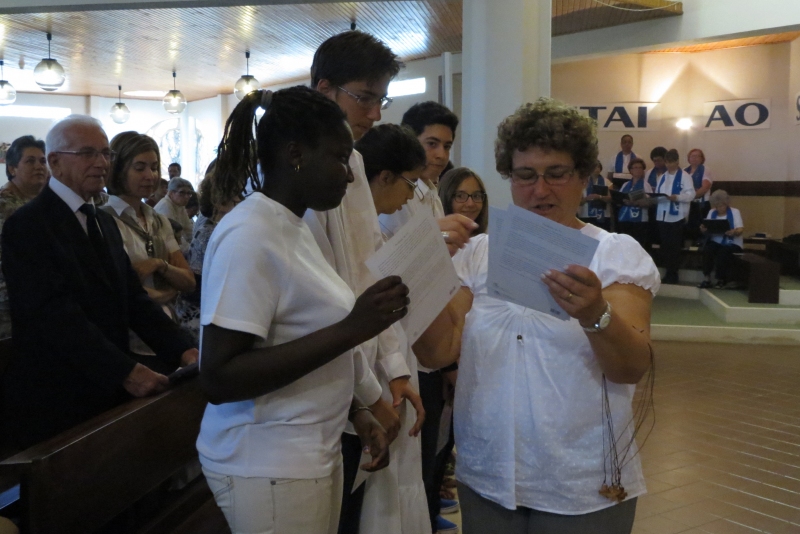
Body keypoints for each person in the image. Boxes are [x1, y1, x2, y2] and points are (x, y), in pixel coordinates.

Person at [414, 98, 659, 534]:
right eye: (525, 175)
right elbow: (437, 352)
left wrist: (595, 313)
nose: (540, 190)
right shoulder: (477, 254)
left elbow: (630, 367)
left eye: (556, 174)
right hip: (488, 472)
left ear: (583, 175)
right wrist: (427, 269)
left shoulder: (614, 254)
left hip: (581, 481)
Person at [196, 86, 406, 534]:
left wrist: (357, 410)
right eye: (340, 158)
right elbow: (218, 376)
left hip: (307, 450)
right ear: (295, 154)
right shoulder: (250, 234)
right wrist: (355, 328)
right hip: (266, 460)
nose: (350, 176)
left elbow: (300, 333)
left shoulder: (292, 226)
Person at [307, 31, 448, 534]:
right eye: (364, 97)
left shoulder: (353, 160)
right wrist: (371, 389)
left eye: (380, 100)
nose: (373, 113)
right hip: (320, 374)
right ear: (324, 89)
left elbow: (369, 271)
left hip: (359, 371)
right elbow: (324, 297)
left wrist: (396, 371)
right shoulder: (299, 168)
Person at [1, 115, 197, 449]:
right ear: (55, 162)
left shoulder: (102, 222)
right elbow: (54, 315)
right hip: (58, 394)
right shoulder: (28, 224)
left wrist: (183, 349)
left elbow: (133, 300)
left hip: (103, 385)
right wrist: (125, 371)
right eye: (88, 153)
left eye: (106, 153)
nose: (102, 163)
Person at [379, 100, 473, 534]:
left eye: (446, 146)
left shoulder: (428, 191)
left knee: (431, 445)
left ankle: (428, 508)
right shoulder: (396, 194)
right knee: (408, 455)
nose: (440, 154)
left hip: (429, 330)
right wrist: (434, 237)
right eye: (431, 143)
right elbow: (383, 263)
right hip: (401, 336)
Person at [355, 122, 432, 534]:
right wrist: (372, 393)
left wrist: (398, 370)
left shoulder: (369, 220)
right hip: (362, 377)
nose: (410, 196)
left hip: (389, 361)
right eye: (410, 183)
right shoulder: (350, 223)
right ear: (384, 176)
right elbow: (351, 319)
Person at [101, 132, 196, 355]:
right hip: (129, 340)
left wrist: (159, 264)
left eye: (154, 168)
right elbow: (121, 292)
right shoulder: (104, 220)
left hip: (167, 333)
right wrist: (169, 291)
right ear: (118, 170)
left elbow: (188, 281)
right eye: (139, 168)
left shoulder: (158, 220)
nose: (150, 175)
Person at [175, 171, 241, 342]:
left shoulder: (216, 225)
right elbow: (196, 284)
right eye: (237, 199)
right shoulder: (208, 231)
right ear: (220, 202)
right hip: (197, 312)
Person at [0, 135, 48, 339]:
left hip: (40, 304)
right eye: (30, 161)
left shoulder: (44, 204)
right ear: (12, 169)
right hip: (8, 309)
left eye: (43, 161)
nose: (39, 166)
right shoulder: (4, 205)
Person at [654, 149, 695, 285]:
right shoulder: (662, 177)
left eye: (672, 162)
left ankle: (674, 274)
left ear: (677, 161)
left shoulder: (685, 176)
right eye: (667, 162)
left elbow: (691, 195)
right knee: (665, 246)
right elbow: (658, 194)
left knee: (674, 246)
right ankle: (667, 272)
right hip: (662, 215)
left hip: (677, 216)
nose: (669, 165)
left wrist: (676, 197)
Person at [698, 190, 744, 289]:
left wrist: (733, 232)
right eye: (717, 206)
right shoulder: (711, 212)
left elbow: (740, 229)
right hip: (716, 241)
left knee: (723, 251)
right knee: (708, 249)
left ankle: (721, 279)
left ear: (726, 204)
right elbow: (708, 228)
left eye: (722, 205)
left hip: (732, 243)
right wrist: (703, 229)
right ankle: (707, 278)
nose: (720, 208)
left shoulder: (735, 212)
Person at [615, 158, 653, 251]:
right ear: (630, 170)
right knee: (625, 245)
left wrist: (635, 203)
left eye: (640, 168)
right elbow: (619, 198)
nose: (638, 170)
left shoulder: (646, 185)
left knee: (638, 245)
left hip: (640, 220)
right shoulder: (625, 185)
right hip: (625, 218)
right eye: (635, 167)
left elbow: (650, 202)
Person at [439, 167, 488, 236]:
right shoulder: (434, 238)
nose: (470, 204)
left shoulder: (485, 241)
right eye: (460, 196)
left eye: (476, 196)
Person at [155, 177, 194, 252]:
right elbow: (172, 237)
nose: (186, 197)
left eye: (189, 193)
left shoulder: (180, 206)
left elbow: (188, 230)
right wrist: (191, 250)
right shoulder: (165, 206)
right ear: (171, 193)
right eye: (182, 193)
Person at [685, 148, 713, 244]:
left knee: (701, 231)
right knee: (689, 231)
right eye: (692, 156)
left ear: (702, 158)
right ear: (689, 158)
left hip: (701, 205)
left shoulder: (705, 169)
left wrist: (690, 195)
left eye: (697, 156)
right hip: (688, 206)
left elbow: (705, 187)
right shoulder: (684, 171)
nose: (695, 158)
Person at [579, 160, 611, 230]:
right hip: (586, 214)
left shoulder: (607, 181)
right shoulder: (582, 182)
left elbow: (611, 199)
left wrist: (600, 197)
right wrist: (588, 198)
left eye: (598, 167)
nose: (597, 169)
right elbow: (578, 201)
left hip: (603, 215)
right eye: (594, 167)